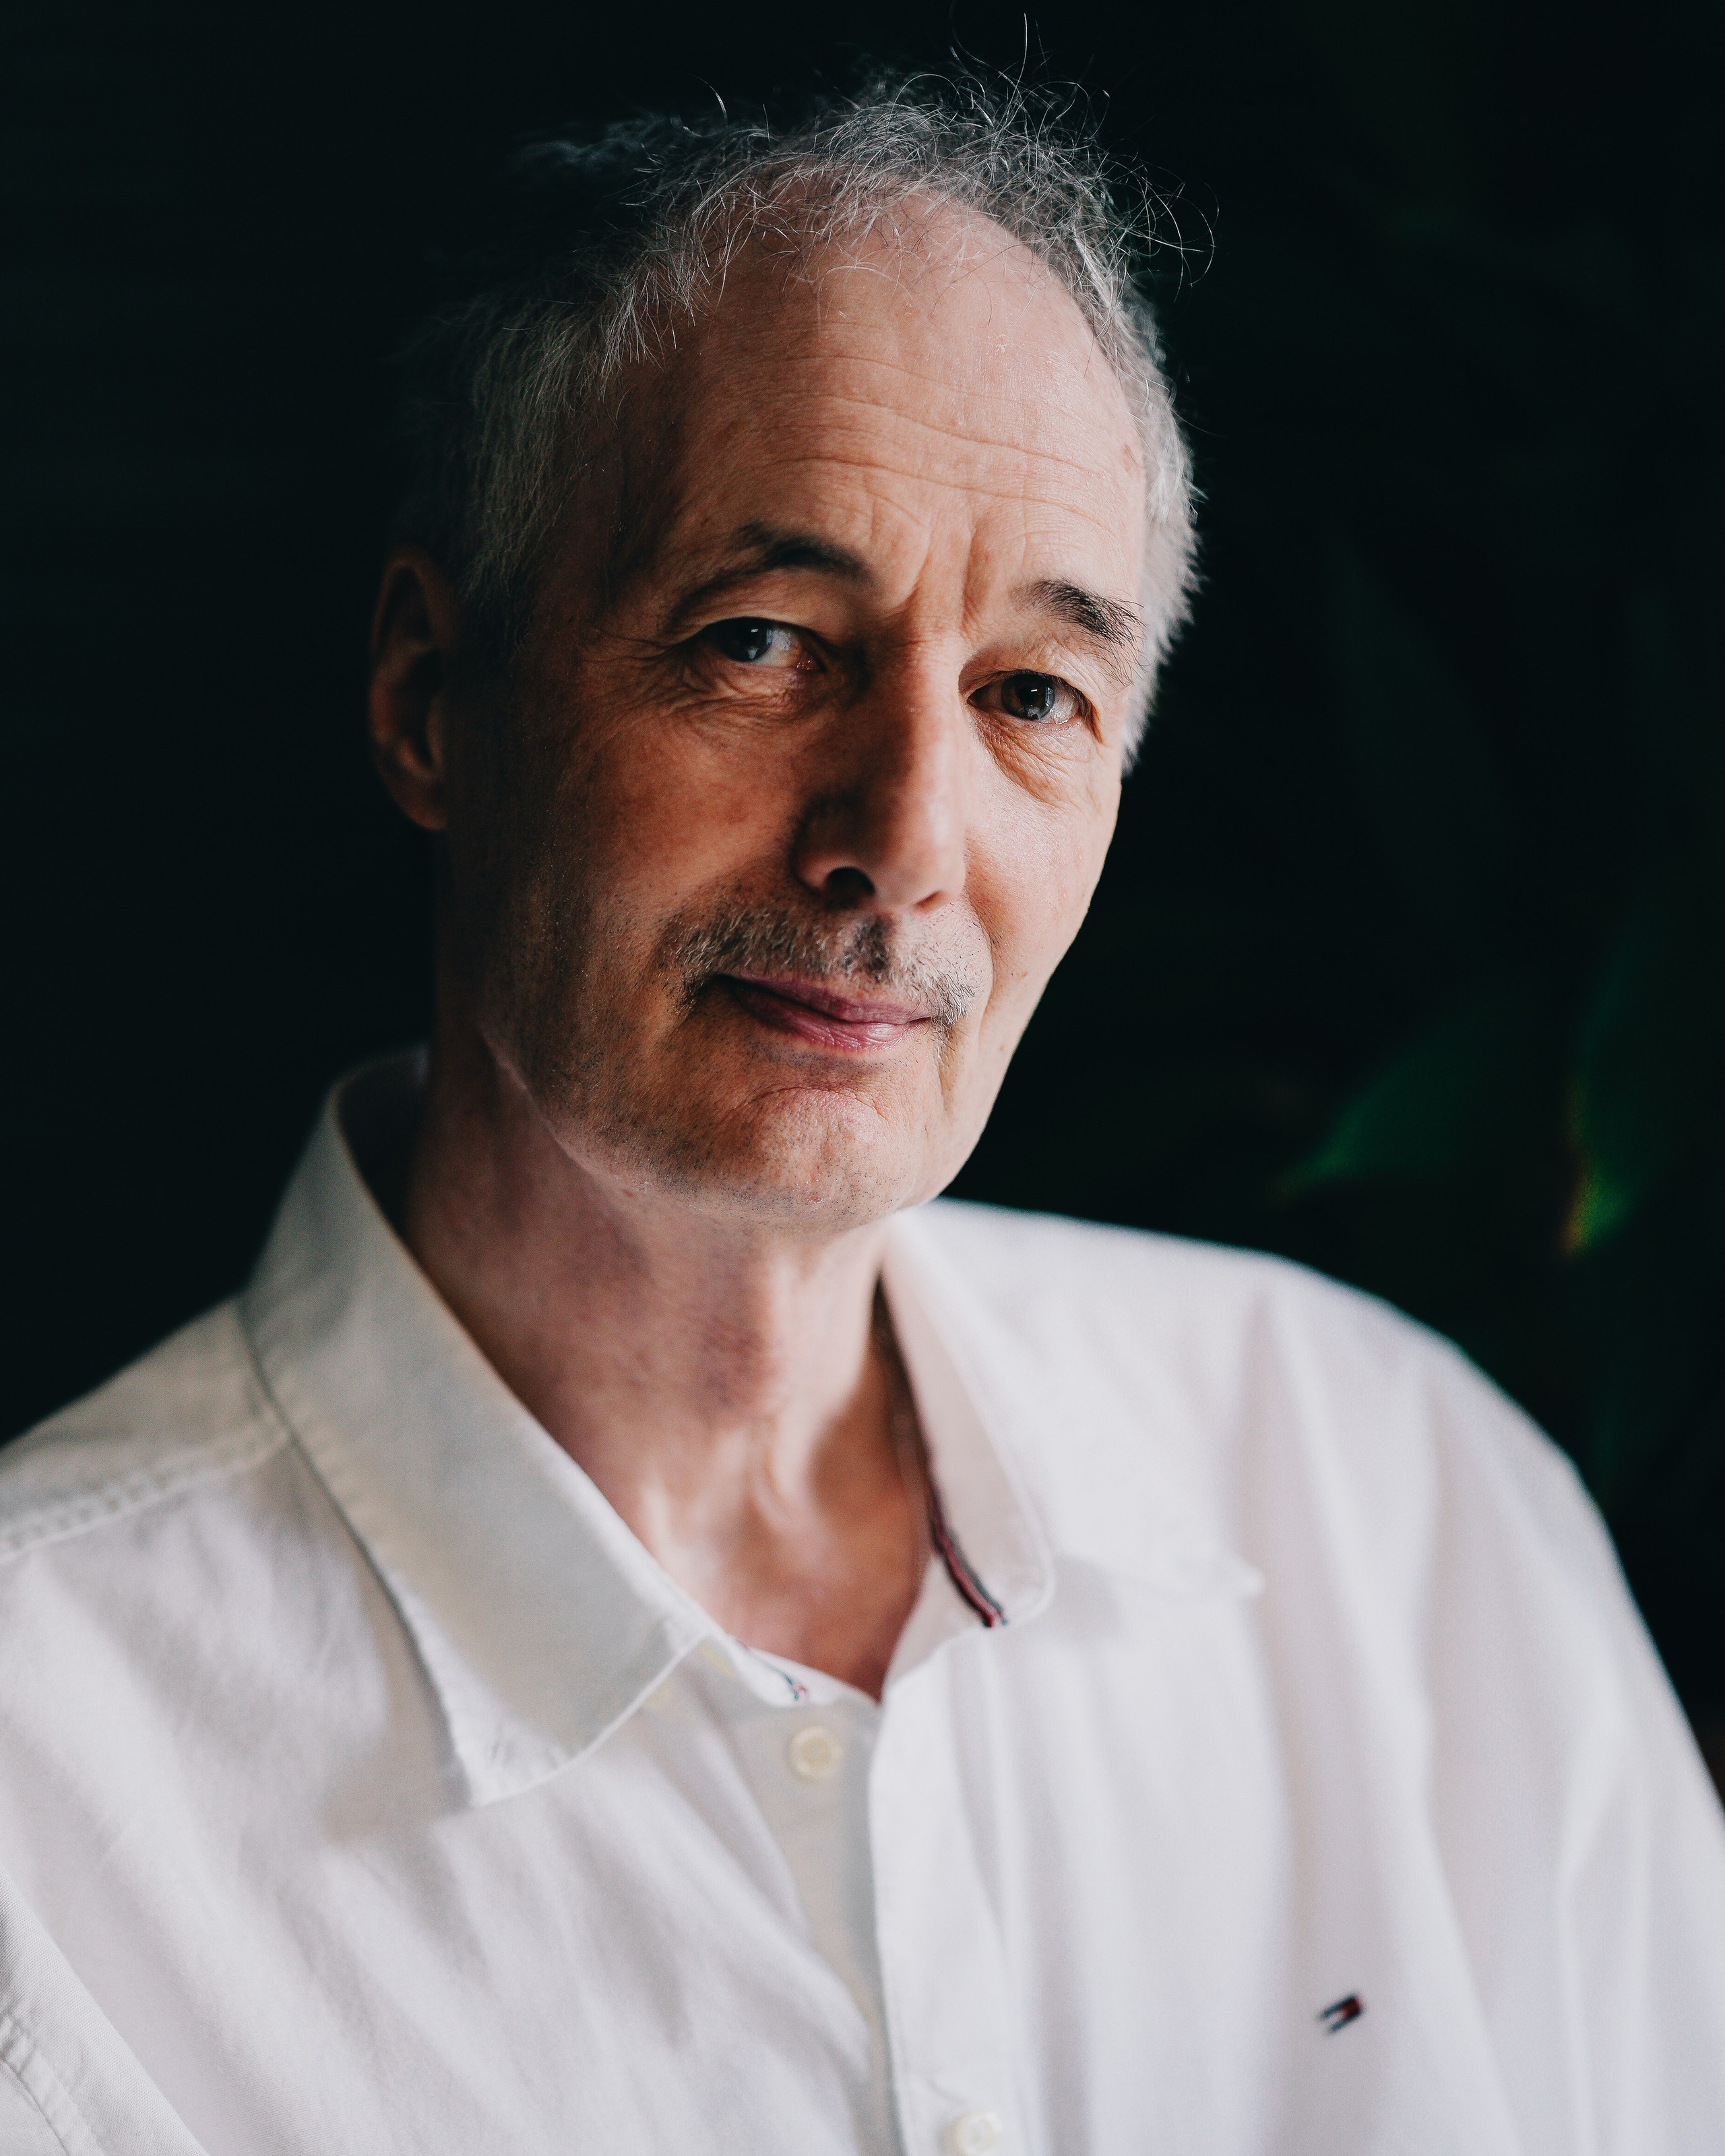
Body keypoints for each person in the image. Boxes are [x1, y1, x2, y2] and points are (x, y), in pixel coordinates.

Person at [1, 75, 1721, 2156]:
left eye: (1031, 694)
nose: (903, 843)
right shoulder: (45, 1787)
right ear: (433, 701)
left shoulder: (1397, 1503)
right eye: (764, 645)